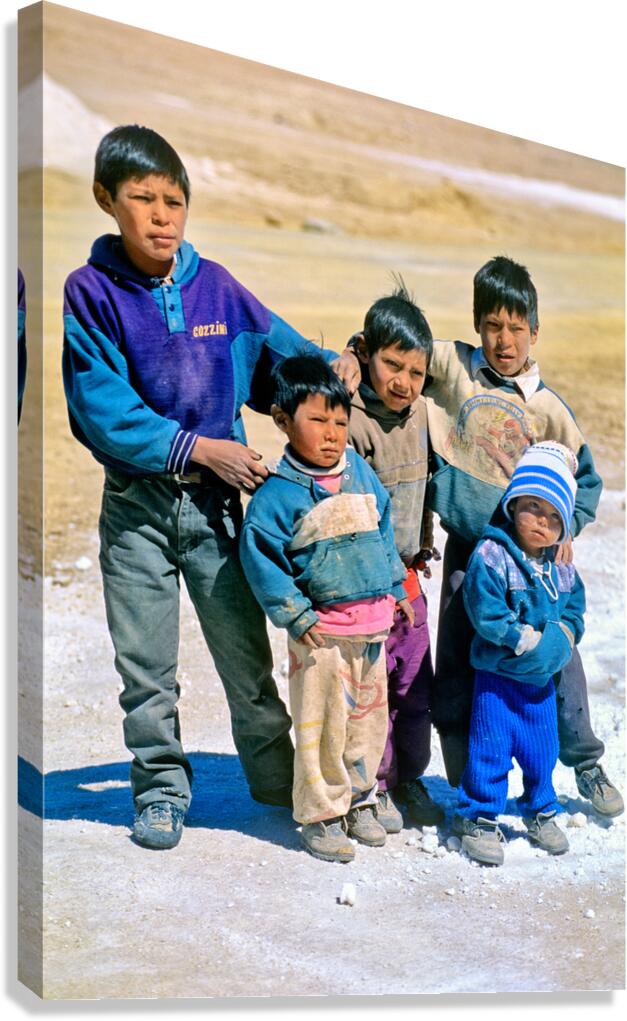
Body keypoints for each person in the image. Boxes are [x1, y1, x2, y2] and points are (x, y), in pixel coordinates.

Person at [62, 124, 353, 850]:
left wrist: (335, 366)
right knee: (145, 667)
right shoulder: (90, 293)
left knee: (246, 660)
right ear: (106, 199)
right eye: (143, 199)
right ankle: (160, 788)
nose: (162, 216)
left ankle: (272, 778)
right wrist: (202, 449)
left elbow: (281, 358)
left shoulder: (214, 285)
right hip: (136, 511)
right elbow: (102, 410)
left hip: (218, 513)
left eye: (175, 201)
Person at [422, 255, 623, 816]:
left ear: (535, 331)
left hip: (533, 556)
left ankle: (584, 762)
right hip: (469, 548)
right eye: (492, 325)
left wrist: (566, 527)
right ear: (477, 325)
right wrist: (355, 348)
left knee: (558, 654)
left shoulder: (549, 408)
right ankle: (470, 781)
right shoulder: (456, 368)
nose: (503, 340)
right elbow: (407, 343)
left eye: (516, 327)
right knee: (462, 656)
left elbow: (586, 480)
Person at [239, 354, 410, 863]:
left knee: (366, 723)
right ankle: (319, 814)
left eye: (340, 421)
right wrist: (295, 612)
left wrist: (396, 584)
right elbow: (262, 558)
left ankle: (359, 799)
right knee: (322, 727)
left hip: (373, 627)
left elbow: (381, 528)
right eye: (317, 420)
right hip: (321, 638)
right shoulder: (278, 496)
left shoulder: (358, 472)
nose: (333, 433)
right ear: (282, 420)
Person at [453, 443, 585, 865]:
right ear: (513, 504)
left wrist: (566, 632)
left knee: (540, 748)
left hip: (540, 683)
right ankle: (479, 814)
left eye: (553, 515)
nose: (541, 522)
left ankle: (540, 808)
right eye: (532, 506)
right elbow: (484, 608)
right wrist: (518, 637)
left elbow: (575, 605)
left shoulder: (561, 566)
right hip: (498, 677)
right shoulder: (493, 556)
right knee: (490, 747)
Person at [348, 282, 444, 832]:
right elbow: (359, 517)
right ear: (365, 355)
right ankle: (375, 785)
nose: (404, 382)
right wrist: (387, 581)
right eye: (391, 366)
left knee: (415, 688)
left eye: (416, 372)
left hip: (409, 579)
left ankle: (411, 775)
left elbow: (423, 487)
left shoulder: (423, 414)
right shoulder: (353, 423)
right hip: (368, 588)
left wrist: (424, 536)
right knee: (374, 690)